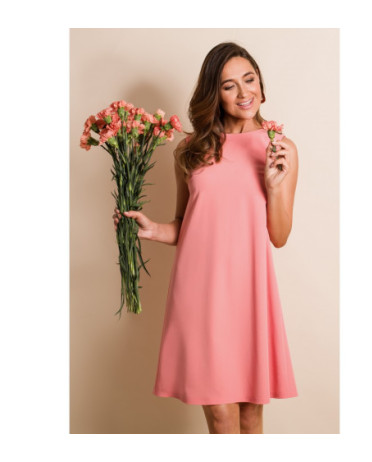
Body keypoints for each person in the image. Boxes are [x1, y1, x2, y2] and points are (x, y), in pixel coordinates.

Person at [112, 41, 299, 434]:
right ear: (215, 94)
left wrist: (273, 185)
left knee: (250, 415)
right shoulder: (190, 150)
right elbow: (186, 224)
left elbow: (279, 236)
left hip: (250, 290)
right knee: (221, 415)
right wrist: (152, 229)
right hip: (200, 291)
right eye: (229, 85)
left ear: (261, 84)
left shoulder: (279, 148)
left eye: (249, 79)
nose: (244, 92)